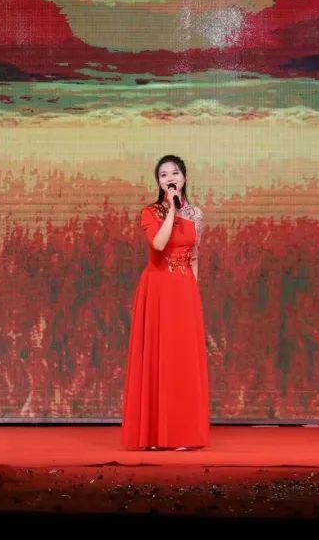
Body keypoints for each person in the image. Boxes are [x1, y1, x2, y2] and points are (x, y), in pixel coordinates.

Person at [121, 154, 210, 450]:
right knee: (159, 357)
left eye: (174, 173)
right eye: (163, 175)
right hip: (158, 288)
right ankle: (154, 435)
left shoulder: (196, 214)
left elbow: (194, 256)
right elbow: (159, 244)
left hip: (184, 290)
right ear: (159, 182)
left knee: (182, 359)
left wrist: (194, 295)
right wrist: (172, 209)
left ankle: (182, 434)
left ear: (184, 177)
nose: (169, 178)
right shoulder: (150, 212)